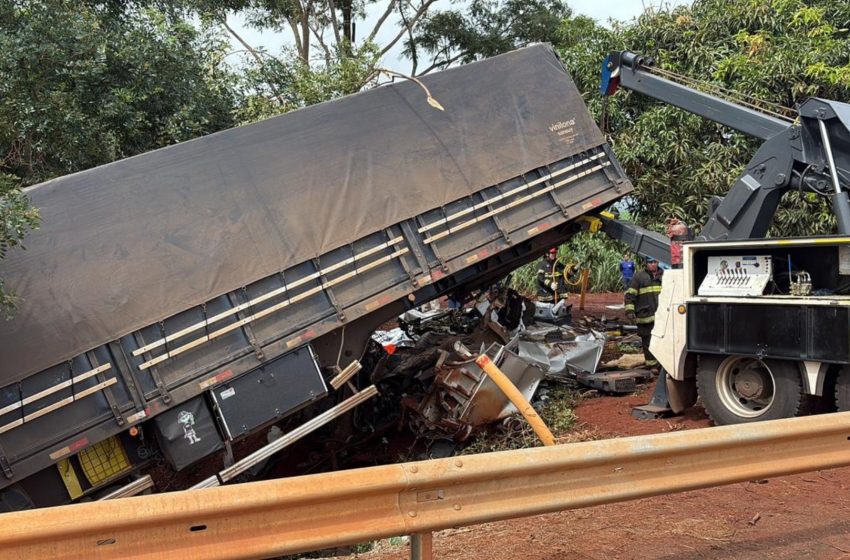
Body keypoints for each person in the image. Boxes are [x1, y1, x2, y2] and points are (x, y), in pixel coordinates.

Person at [625, 256, 663, 371]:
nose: (653, 264)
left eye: (655, 262)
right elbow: (630, 295)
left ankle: (661, 365)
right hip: (645, 316)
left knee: (661, 341)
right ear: (646, 263)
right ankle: (651, 365)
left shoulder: (664, 276)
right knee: (647, 341)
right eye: (650, 262)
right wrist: (630, 311)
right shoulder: (639, 277)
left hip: (661, 317)